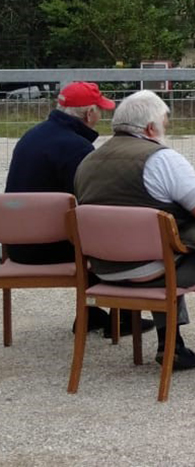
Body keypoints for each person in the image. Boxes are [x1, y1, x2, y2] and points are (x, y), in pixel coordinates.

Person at [74, 90, 195, 371]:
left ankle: (171, 344)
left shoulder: (86, 163)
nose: (166, 128)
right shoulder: (161, 160)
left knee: (166, 249)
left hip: (104, 271)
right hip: (153, 272)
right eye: (165, 123)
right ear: (151, 127)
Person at [2, 82, 152, 337]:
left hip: (17, 247)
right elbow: (92, 200)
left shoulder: (32, 135)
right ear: (88, 113)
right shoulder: (76, 147)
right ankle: (125, 317)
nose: (101, 116)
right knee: (114, 236)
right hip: (51, 248)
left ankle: (92, 314)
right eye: (99, 110)